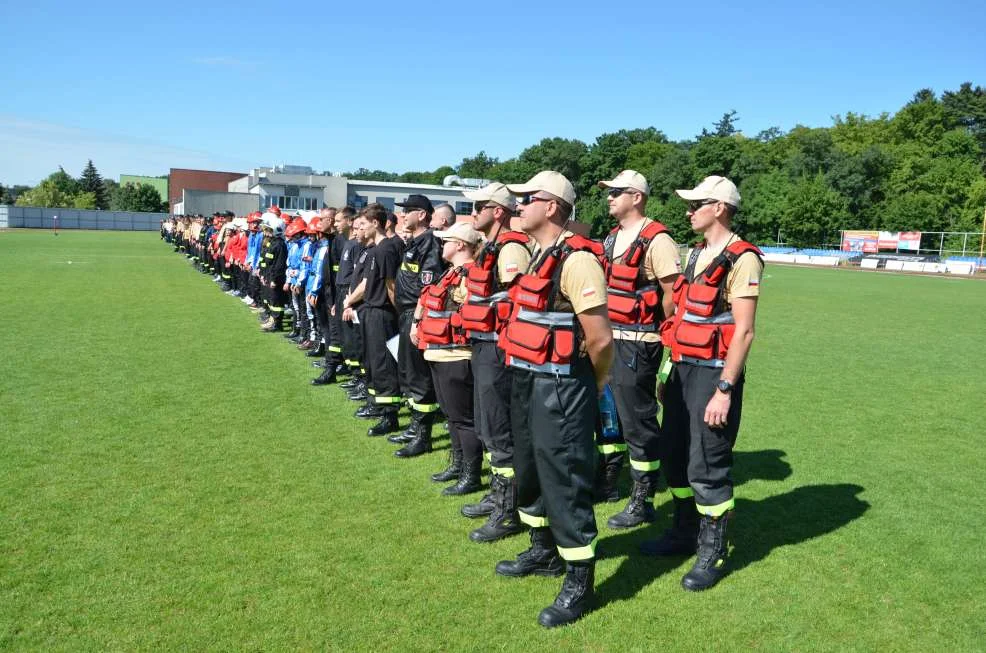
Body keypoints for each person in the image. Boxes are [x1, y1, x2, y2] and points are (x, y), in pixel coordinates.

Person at [495, 171, 613, 628]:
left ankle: (579, 579)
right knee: (528, 471)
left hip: (562, 386)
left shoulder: (579, 260)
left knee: (564, 479)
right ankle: (542, 551)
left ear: (553, 207)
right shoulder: (538, 252)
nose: (519, 204)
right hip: (527, 379)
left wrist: (595, 385)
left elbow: (600, 340)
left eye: (529, 198)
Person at [641, 175, 763, 593]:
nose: (689, 210)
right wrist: (665, 372)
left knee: (707, 464)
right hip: (681, 370)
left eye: (697, 204)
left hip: (714, 374)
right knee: (674, 456)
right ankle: (683, 531)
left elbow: (744, 332)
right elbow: (681, 321)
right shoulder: (693, 254)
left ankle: (713, 549)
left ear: (720, 208)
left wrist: (724, 390)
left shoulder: (742, 258)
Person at [597, 170, 681, 529]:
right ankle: (608, 481)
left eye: (617, 192)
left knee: (638, 421)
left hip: (638, 339)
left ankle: (643, 497)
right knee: (608, 416)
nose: (609, 197)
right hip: (608, 336)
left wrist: (657, 330)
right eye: (608, 192)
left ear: (637, 197)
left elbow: (672, 293)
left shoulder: (657, 239)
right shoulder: (611, 237)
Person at [456, 182, 531, 543]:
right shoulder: (491, 247)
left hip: (500, 351)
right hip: (483, 346)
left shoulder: (511, 248)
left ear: (498, 211)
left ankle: (508, 510)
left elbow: (521, 303)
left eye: (479, 207)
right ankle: (497, 494)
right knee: (487, 426)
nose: (473, 213)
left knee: (501, 429)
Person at [410, 222, 484, 496]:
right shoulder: (451, 273)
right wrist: (416, 323)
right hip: (438, 351)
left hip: (457, 355)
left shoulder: (471, 276)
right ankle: (457, 464)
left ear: (461, 245)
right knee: (452, 416)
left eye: (446, 241)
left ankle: (471, 474)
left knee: (464, 419)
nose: (442, 245)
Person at [391, 194, 446, 458]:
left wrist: (417, 319)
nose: (403, 215)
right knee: (409, 374)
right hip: (406, 314)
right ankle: (415, 427)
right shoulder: (414, 242)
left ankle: (423, 437)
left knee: (420, 378)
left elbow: (429, 286)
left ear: (422, 214)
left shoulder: (430, 244)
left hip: (417, 315)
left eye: (408, 211)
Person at [354, 204, 403, 436]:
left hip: (383, 313)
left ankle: (390, 416)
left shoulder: (385, 250)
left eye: (363, 224)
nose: (360, 228)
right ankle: (377, 405)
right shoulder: (375, 250)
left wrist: (398, 314)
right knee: (373, 362)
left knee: (384, 365)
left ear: (376, 224)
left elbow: (391, 287)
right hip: (371, 311)